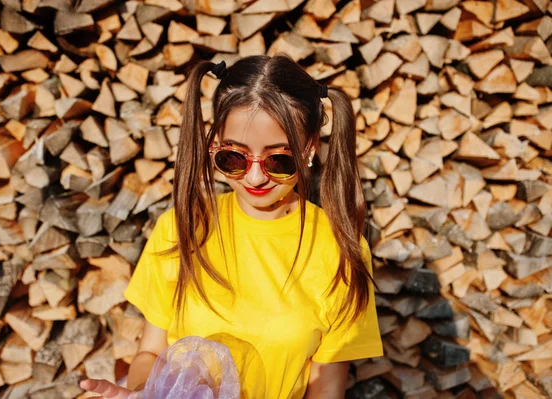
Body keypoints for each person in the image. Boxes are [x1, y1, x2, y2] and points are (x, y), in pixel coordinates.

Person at [80, 55, 383, 399]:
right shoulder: (182, 228)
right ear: (214, 144)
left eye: (279, 160)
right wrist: (141, 393)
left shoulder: (340, 249)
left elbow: (325, 390)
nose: (255, 177)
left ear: (309, 147)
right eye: (234, 158)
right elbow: (150, 353)